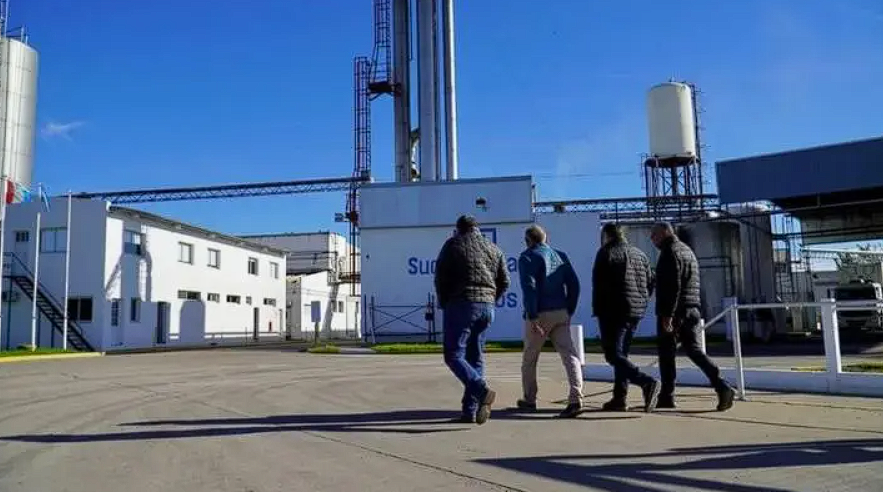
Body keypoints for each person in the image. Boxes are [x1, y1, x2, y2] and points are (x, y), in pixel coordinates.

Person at [650, 221, 735, 411]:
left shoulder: (670, 252)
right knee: (693, 350)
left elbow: (672, 286)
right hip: (692, 308)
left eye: (654, 235)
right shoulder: (687, 251)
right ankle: (721, 385)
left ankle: (667, 395)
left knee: (666, 353)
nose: (652, 239)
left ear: (665, 233)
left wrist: (667, 315)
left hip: (676, 310)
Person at [434, 215, 510, 424]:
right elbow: (505, 281)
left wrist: (444, 301)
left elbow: (440, 276)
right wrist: (492, 299)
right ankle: (470, 411)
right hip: (487, 307)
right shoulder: (493, 248)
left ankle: (481, 390)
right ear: (477, 229)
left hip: (462, 304)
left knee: (453, 355)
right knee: (475, 357)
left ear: (458, 229)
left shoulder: (453, 244)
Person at [516, 224, 584, 418]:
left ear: (528, 240)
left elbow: (529, 287)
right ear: (545, 238)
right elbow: (574, 284)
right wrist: (569, 309)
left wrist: (532, 315)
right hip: (561, 311)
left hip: (540, 313)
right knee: (570, 355)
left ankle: (530, 399)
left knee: (530, 358)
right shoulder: (560, 255)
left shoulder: (527, 257)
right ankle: (576, 398)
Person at [592, 223, 661, 412]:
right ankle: (619, 397)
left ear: (607, 236)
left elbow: (599, 284)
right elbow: (651, 280)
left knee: (613, 354)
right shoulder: (639, 254)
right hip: (635, 311)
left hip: (613, 311)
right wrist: (642, 300)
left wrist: (599, 309)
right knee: (622, 355)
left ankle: (646, 382)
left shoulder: (606, 253)